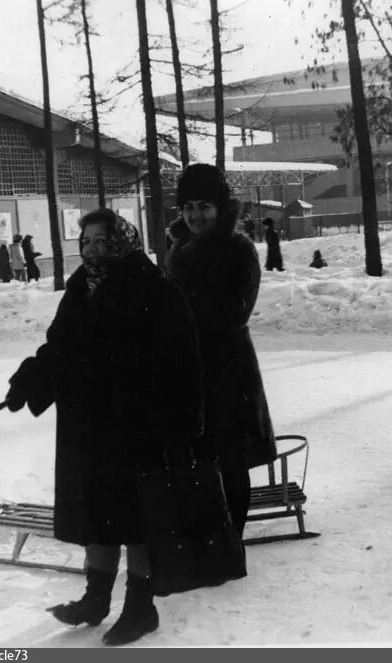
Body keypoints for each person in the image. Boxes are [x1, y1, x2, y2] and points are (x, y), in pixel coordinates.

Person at [5, 210, 204, 647]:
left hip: (138, 424)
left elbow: (182, 359)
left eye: (104, 240)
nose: (95, 248)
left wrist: (180, 423)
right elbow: (60, 345)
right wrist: (31, 379)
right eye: (88, 240)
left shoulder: (153, 287)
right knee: (99, 513)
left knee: (136, 519)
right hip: (90, 425)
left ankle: (140, 608)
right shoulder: (80, 287)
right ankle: (95, 599)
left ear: (124, 240)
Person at [165, 163, 277, 538]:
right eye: (188, 207)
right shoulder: (178, 249)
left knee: (231, 461)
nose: (195, 215)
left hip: (228, 372)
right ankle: (206, 536)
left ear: (220, 208)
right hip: (187, 371)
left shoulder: (238, 248)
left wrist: (182, 301)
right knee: (196, 457)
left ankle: (232, 541)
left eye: (204, 206)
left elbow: (235, 312)